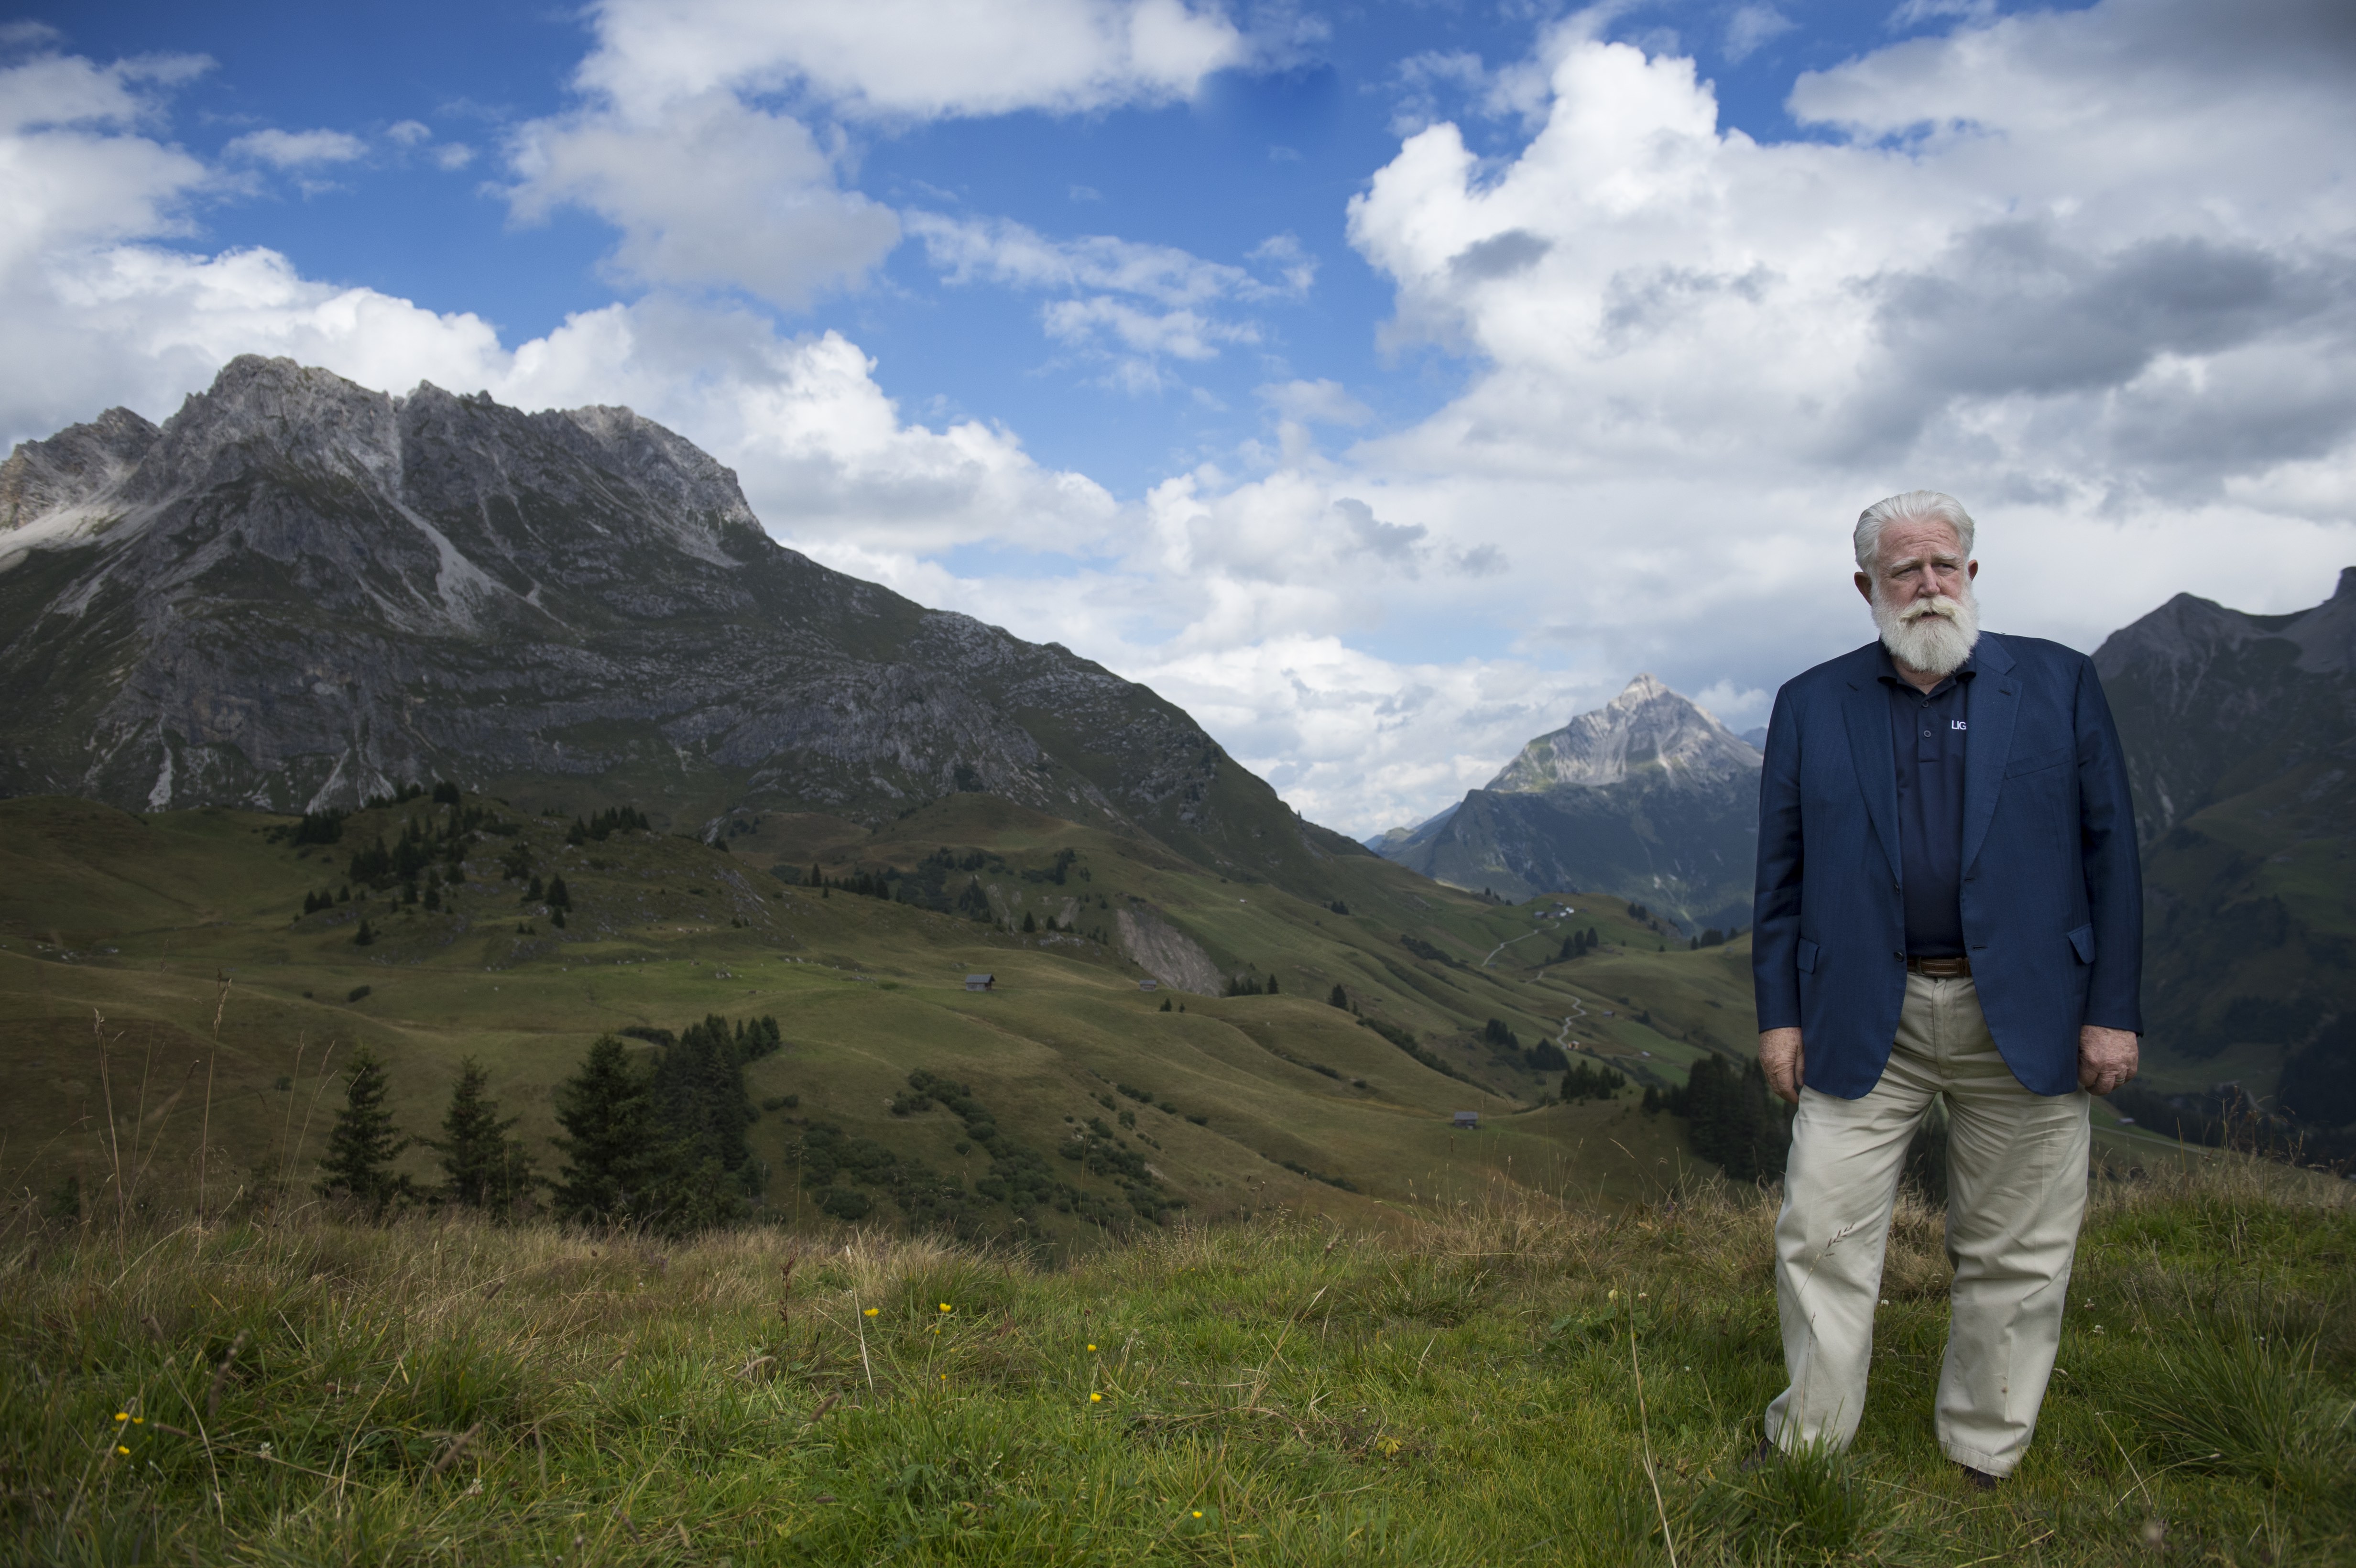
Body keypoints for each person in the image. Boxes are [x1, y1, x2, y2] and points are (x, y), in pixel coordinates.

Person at [1749, 490, 2142, 1488]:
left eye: (1943, 566)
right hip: (1857, 1013)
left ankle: (1983, 1446)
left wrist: (2112, 1008)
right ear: (1864, 587)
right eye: (1902, 571)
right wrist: (1778, 1015)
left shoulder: (2056, 683)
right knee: (1819, 1229)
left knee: (2018, 1243)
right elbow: (1780, 878)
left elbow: (2114, 857)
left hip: (2027, 1009)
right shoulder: (1808, 701)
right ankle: (1810, 1441)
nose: (1926, 585)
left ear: (1972, 571)